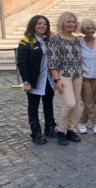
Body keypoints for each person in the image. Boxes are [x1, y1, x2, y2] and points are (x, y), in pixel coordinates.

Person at [17, 15, 57, 145]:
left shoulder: (49, 40)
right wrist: (26, 82)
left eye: (45, 24)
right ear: (33, 25)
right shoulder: (25, 41)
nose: (42, 26)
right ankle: (36, 133)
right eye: (39, 24)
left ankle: (50, 128)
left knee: (48, 104)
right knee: (33, 107)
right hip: (34, 80)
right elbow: (22, 63)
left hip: (48, 79)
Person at [48, 11, 82, 146]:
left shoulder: (77, 39)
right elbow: (52, 61)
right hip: (64, 75)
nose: (71, 24)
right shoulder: (56, 38)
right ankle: (61, 131)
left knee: (76, 104)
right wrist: (57, 80)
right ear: (63, 22)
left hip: (78, 75)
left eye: (73, 22)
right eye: (69, 21)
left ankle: (71, 130)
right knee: (69, 103)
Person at [78, 19, 96, 134]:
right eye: (87, 28)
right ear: (83, 30)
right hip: (84, 76)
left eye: (92, 28)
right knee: (88, 100)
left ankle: (82, 122)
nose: (90, 30)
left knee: (92, 101)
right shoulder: (79, 42)